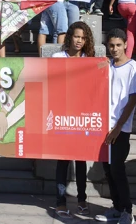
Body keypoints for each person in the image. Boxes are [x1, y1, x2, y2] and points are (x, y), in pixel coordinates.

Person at [96, 28, 136, 224]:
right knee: (107, 169)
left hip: (120, 128)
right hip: (103, 125)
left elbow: (132, 100)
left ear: (125, 45)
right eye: (111, 45)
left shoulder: (133, 67)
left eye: (118, 45)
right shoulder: (106, 66)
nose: (114, 49)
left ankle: (127, 211)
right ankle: (116, 207)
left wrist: (118, 127)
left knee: (117, 169)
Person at [51, 21, 95, 218]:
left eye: (83, 38)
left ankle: (82, 199)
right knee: (62, 161)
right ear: (70, 37)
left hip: (82, 118)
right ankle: (60, 202)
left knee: (81, 161)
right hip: (61, 116)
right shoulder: (57, 57)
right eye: (77, 36)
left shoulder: (90, 60)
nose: (79, 41)